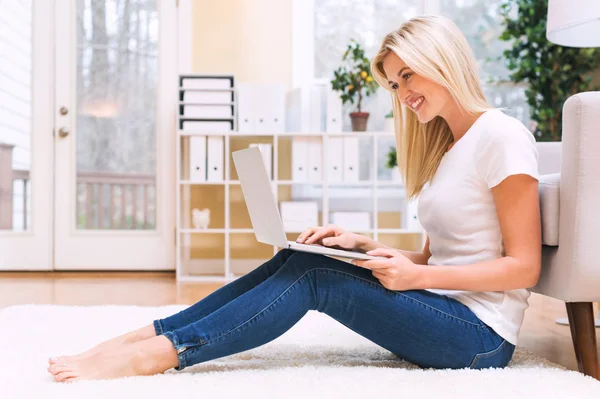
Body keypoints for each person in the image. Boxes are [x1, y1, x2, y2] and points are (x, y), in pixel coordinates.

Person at [47, 14, 541, 382]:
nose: (402, 93)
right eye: (394, 84)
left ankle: (158, 354)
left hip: (480, 338)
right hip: (442, 305)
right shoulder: (447, 148)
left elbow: (523, 267)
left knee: (313, 276)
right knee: (298, 255)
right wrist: (365, 246)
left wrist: (420, 276)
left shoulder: (500, 135)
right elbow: (438, 257)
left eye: (408, 75)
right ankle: (153, 333)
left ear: (441, 60)